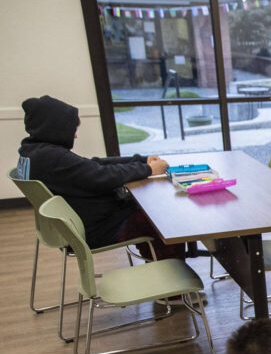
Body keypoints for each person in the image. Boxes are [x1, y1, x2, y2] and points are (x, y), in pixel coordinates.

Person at [17, 95, 183, 260]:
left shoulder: (32, 152)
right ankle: (173, 275)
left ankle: (162, 264)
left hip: (77, 225)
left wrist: (140, 160)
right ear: (55, 127)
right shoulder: (51, 157)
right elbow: (102, 176)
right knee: (160, 220)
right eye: (72, 129)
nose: (75, 135)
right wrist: (148, 169)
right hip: (97, 229)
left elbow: (93, 164)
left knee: (152, 212)